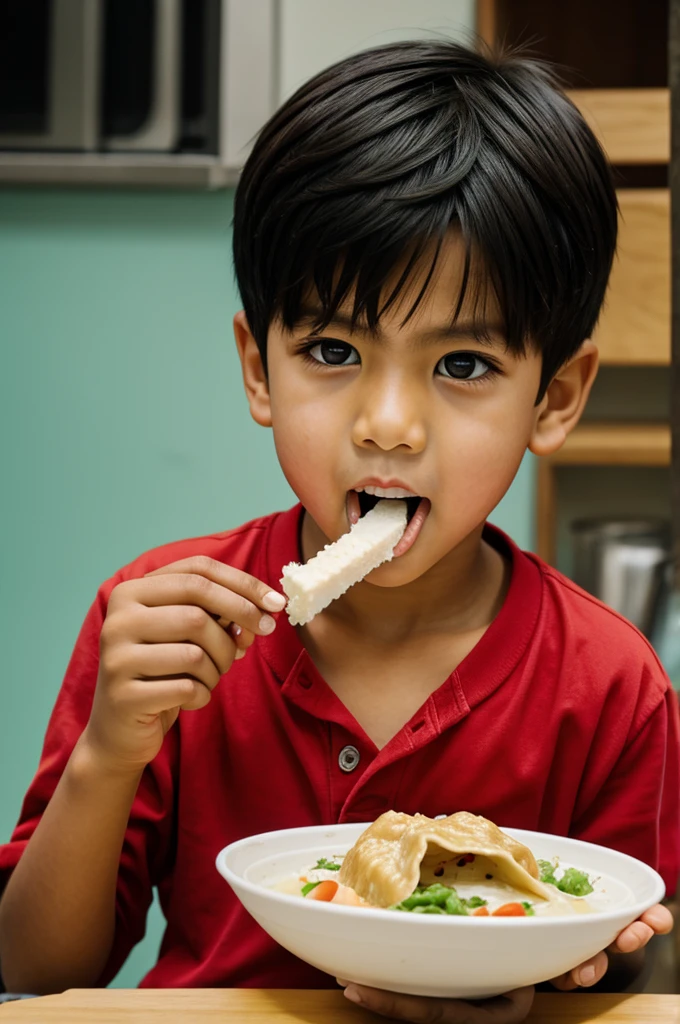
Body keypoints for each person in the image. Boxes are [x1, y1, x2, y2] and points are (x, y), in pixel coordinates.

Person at [0, 39, 678, 1024]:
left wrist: (543, 988)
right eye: (331, 349)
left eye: (462, 365)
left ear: (555, 397)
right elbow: (33, 968)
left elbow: (629, 968)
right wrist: (111, 749)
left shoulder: (610, 686)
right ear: (256, 369)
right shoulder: (159, 624)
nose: (388, 422)